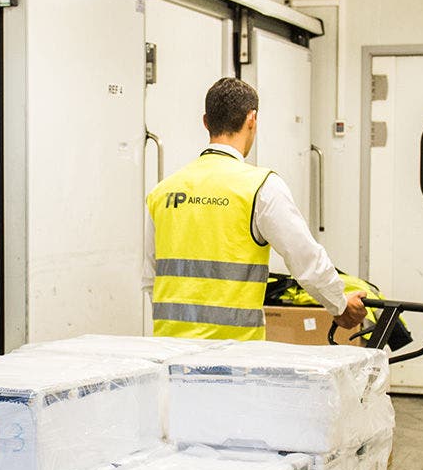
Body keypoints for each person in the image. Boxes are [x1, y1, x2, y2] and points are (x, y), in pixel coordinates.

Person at [146, 78, 366, 340]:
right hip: (235, 355)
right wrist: (339, 304)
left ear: (206, 121)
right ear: (252, 119)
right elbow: (305, 258)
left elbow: (150, 280)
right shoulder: (261, 187)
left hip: (169, 350)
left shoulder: (162, 191)